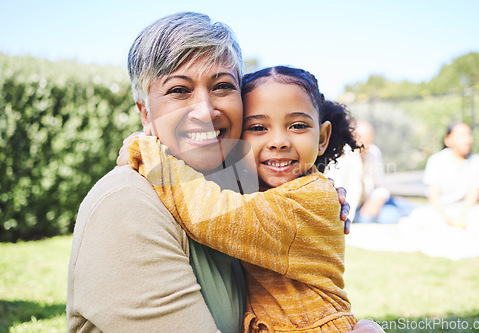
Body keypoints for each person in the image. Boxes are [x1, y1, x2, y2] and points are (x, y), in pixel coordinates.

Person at [66, 12, 384, 333]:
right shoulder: (126, 205)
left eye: (222, 87)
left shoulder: (235, 190)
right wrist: (146, 150)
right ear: (145, 113)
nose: (206, 111)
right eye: (179, 90)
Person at [125, 65, 361, 332]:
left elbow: (209, 215)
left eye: (297, 125)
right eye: (259, 127)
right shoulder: (249, 188)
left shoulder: (312, 199)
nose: (279, 141)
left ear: (322, 138)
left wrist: (148, 152)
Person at [416, 121, 479, 237]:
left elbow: (472, 196)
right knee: (425, 225)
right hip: (440, 210)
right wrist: (448, 218)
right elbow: (434, 197)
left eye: (469, 135)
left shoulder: (478, 162)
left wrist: (462, 216)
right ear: (448, 140)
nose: (467, 140)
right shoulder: (435, 161)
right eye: (461, 136)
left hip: (466, 210)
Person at [324, 120, 413, 224]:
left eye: (370, 141)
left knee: (405, 206)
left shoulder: (373, 152)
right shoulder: (343, 158)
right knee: (389, 216)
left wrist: (377, 200)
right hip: (354, 209)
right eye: (364, 141)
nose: (367, 146)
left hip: (368, 201)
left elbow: (380, 186)